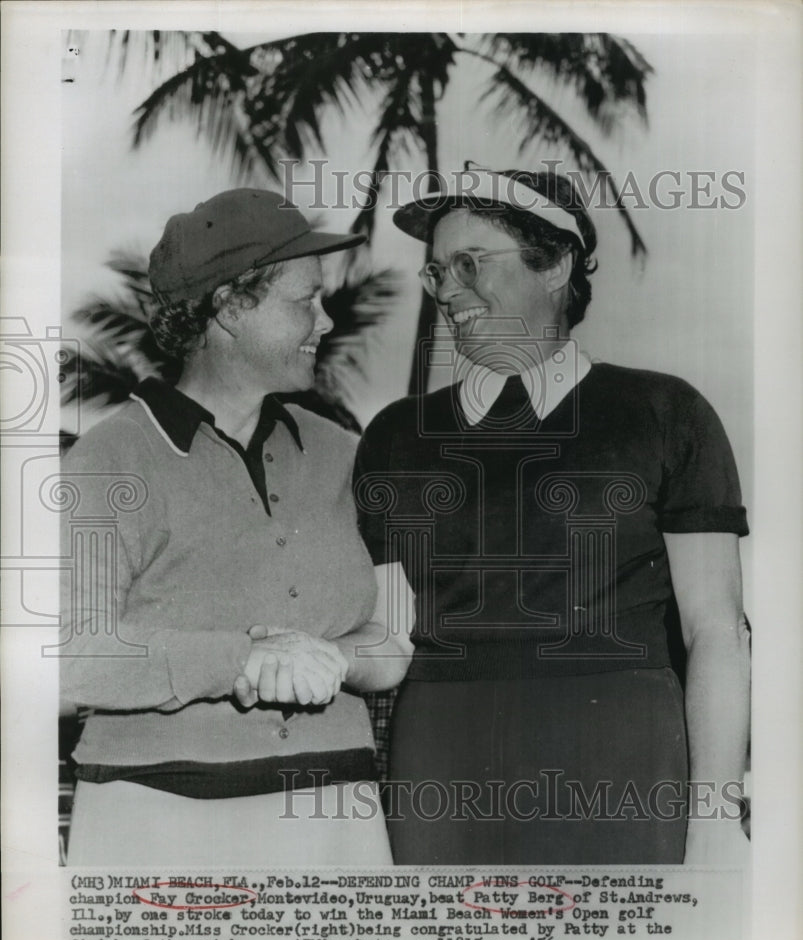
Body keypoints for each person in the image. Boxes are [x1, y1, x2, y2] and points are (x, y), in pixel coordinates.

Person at [354, 164, 751, 866]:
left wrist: (715, 817)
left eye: (470, 263)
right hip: (441, 755)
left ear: (557, 264)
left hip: (620, 747)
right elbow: (387, 637)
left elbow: (714, 628)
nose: (449, 290)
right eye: (437, 272)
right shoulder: (394, 435)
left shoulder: (664, 413)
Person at [60, 188, 408, 866]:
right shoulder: (111, 457)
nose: (325, 319)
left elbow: (390, 641)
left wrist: (340, 658)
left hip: (334, 815)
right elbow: (69, 657)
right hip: (160, 821)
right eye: (302, 300)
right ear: (227, 306)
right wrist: (243, 658)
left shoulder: (341, 452)